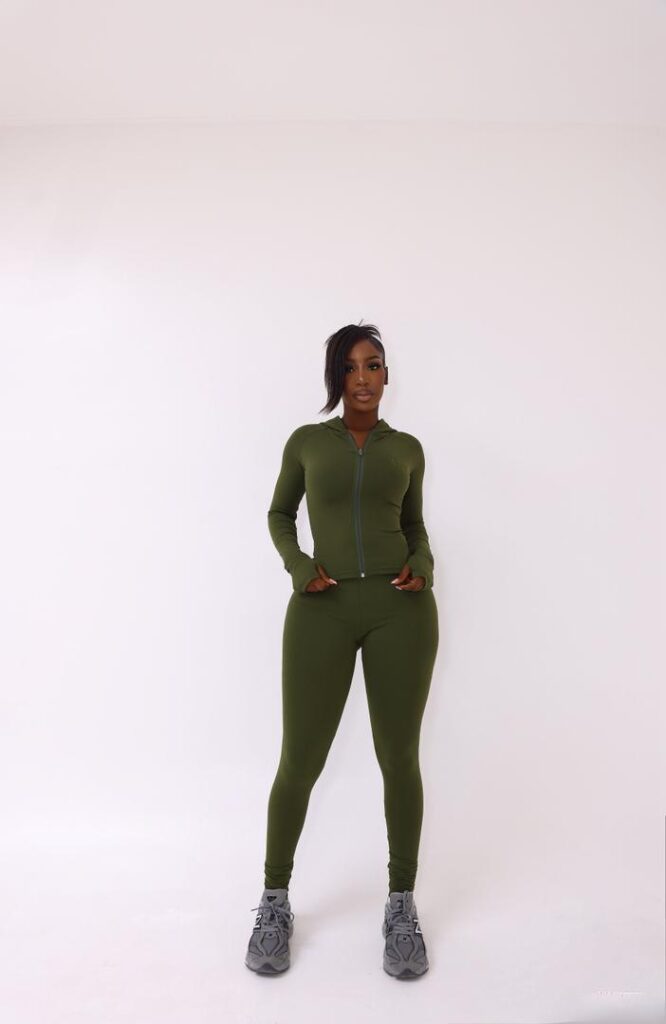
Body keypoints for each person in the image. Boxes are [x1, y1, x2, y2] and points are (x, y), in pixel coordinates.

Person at [245, 323, 439, 979]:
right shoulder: (307, 442)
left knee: (399, 758)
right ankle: (274, 902)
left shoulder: (406, 449)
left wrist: (423, 563)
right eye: (351, 366)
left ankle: (401, 905)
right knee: (299, 761)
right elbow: (279, 514)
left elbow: (414, 525)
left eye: (374, 365)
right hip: (320, 609)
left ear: (386, 375)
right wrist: (300, 566)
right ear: (336, 376)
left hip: (400, 610)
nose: (363, 377)